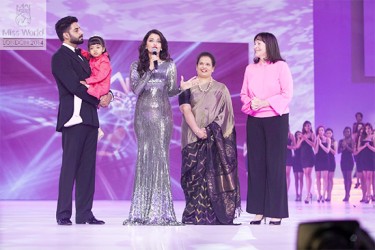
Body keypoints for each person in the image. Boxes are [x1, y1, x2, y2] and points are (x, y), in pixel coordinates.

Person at [52, 16, 112, 225]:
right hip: (73, 119)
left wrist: (109, 95)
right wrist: (99, 98)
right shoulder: (60, 57)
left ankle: (85, 214)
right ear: (66, 34)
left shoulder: (84, 56)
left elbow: (100, 79)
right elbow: (74, 86)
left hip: (90, 118)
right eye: (77, 29)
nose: (81, 31)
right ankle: (63, 215)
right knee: (70, 167)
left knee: (88, 168)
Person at [123, 29, 180, 225]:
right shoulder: (136, 65)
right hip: (143, 117)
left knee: (161, 159)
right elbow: (137, 89)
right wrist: (150, 70)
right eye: (151, 40)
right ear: (146, 45)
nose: (154, 43)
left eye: (158, 41)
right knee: (145, 156)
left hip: (163, 117)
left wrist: (184, 88)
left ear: (162, 46)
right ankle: (142, 210)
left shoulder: (170, 65)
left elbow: (171, 90)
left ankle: (161, 211)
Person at [179, 52, 241, 225]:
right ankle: (192, 215)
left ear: (213, 68)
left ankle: (212, 216)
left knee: (211, 177)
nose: (204, 67)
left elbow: (227, 115)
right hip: (191, 137)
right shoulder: (187, 87)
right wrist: (198, 131)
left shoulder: (221, 89)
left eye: (208, 64)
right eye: (201, 64)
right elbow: (185, 109)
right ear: (196, 66)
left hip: (214, 139)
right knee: (192, 177)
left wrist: (209, 130)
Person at [240, 32, 293, 225]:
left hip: (276, 119)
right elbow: (244, 94)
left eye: (259, 43)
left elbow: (287, 93)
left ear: (269, 45)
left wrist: (264, 102)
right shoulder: (250, 69)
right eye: (254, 43)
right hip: (254, 120)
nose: (255, 46)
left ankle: (276, 212)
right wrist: (251, 103)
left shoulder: (281, 66)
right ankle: (258, 211)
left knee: (275, 164)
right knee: (255, 165)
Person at [64, 35, 112, 140]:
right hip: (95, 84)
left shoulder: (104, 61)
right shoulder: (92, 57)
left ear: (103, 49)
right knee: (91, 105)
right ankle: (98, 129)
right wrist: (78, 50)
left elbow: (101, 76)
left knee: (79, 89)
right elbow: (85, 54)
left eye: (98, 47)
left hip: (101, 86)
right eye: (92, 48)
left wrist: (87, 81)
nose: (95, 50)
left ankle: (76, 115)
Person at [300, 121, 316, 204]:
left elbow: (314, 145)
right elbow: (298, 146)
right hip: (303, 156)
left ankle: (308, 194)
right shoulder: (303, 135)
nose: (307, 127)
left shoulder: (312, 134)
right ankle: (309, 193)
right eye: (306, 126)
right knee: (305, 174)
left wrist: (306, 139)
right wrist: (301, 139)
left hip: (310, 156)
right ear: (304, 127)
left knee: (308, 173)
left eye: (309, 126)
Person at [314, 126, 330, 203]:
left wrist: (321, 144)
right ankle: (319, 194)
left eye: (322, 130)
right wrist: (317, 142)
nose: (321, 131)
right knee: (318, 178)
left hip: (325, 159)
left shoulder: (328, 139)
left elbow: (327, 150)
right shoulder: (316, 139)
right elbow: (316, 151)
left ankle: (324, 195)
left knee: (325, 178)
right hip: (318, 159)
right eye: (320, 130)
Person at [338, 127, 355, 201]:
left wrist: (347, 146)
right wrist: (343, 148)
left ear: (350, 132)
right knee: (345, 178)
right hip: (343, 160)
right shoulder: (341, 141)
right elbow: (338, 151)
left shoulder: (352, 140)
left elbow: (353, 151)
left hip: (349, 160)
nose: (347, 133)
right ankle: (346, 193)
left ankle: (348, 194)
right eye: (345, 131)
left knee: (349, 177)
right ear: (343, 133)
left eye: (348, 131)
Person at [325, 128, 337, 202]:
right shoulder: (323, 140)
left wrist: (329, 148)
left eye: (330, 133)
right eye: (327, 133)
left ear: (332, 134)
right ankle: (326, 193)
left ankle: (329, 194)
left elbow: (335, 152)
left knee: (330, 178)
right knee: (326, 178)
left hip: (332, 161)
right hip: (325, 161)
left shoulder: (334, 141)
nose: (329, 134)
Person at [293, 131, 304, 201]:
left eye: (299, 134)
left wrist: (300, 139)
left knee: (301, 178)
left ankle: (301, 194)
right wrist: (298, 140)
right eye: (297, 134)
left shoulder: (303, 141)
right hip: (295, 160)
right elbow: (295, 147)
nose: (298, 135)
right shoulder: (294, 141)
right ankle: (297, 194)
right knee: (296, 179)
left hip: (302, 160)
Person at [286, 127, 296, 193]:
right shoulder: (278, 133)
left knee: (287, 174)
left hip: (288, 155)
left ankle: (286, 191)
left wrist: (288, 147)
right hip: (280, 155)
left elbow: (295, 146)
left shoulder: (291, 135)